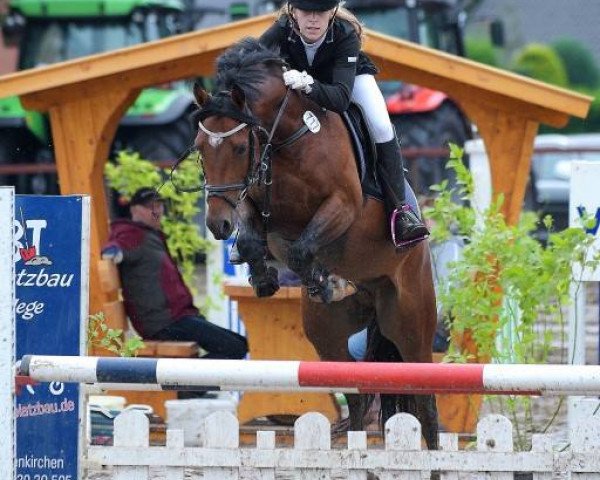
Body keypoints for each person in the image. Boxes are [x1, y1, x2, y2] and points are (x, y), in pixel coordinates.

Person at [258, 0, 429, 248]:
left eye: (320, 11)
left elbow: (339, 99)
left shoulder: (345, 34)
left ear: (332, 12)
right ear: (294, 12)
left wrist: (309, 85)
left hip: (346, 82)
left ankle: (401, 212)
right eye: (307, 12)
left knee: (381, 125)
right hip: (301, 82)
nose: (313, 19)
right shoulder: (282, 28)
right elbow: (250, 56)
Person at [101, 187, 248, 360]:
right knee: (235, 347)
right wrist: (112, 252)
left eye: (159, 205)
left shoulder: (150, 234)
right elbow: (116, 244)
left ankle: (185, 382)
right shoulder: (132, 232)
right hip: (164, 323)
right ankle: (186, 386)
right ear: (134, 210)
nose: (156, 211)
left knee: (239, 343)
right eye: (149, 207)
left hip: (177, 318)